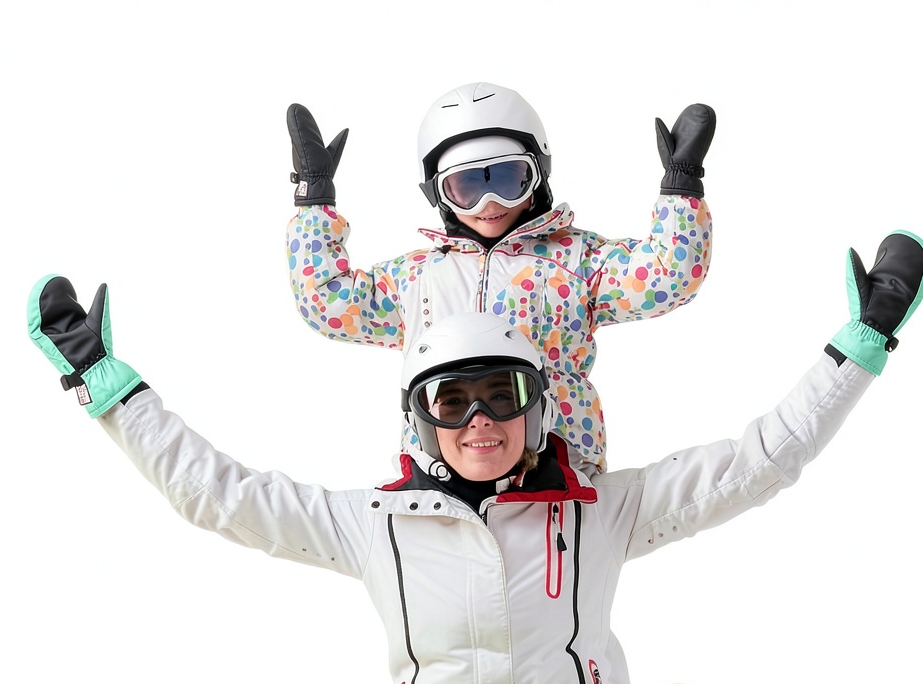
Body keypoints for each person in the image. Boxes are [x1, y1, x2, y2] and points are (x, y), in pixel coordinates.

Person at [26, 230, 923, 684]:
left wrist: (859, 346)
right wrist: (105, 384)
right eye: (452, 402)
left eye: (501, 396)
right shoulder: (375, 523)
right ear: (421, 421)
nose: (480, 421)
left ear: (537, 408)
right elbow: (219, 495)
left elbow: (756, 462)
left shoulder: (598, 510)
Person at [285, 82, 716, 470]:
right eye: (466, 188)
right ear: (438, 193)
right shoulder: (416, 278)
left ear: (537, 175)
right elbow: (328, 302)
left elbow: (667, 276)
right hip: (447, 470)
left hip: (557, 465)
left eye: (509, 180)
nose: (489, 203)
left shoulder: (577, 261)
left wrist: (681, 190)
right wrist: (313, 200)